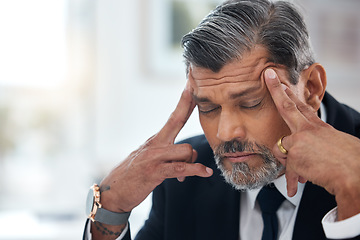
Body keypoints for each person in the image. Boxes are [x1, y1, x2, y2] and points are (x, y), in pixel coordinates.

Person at [84, 0, 360, 239]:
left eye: (251, 103)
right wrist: (112, 207)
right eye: (208, 108)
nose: (227, 133)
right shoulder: (182, 180)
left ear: (311, 88)